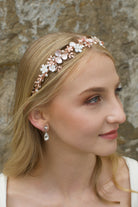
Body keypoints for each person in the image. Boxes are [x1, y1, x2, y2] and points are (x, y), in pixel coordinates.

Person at [0, 32, 138, 207]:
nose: (120, 115)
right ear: (39, 115)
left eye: (116, 91)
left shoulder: (133, 185)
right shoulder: (6, 199)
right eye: (93, 99)